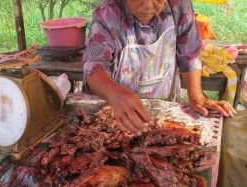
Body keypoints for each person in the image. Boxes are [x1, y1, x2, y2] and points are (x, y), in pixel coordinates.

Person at [82, 0, 236, 136]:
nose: (148, 5)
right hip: (117, 112)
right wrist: (115, 94)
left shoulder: (179, 5)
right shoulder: (108, 14)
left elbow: (190, 54)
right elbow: (94, 67)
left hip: (165, 109)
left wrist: (196, 96)